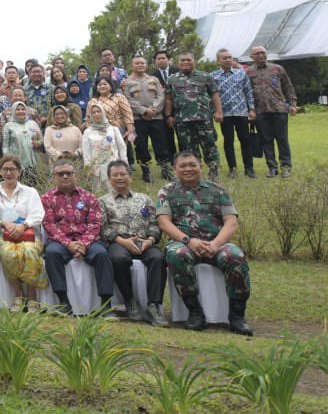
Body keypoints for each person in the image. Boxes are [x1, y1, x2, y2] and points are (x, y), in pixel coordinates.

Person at [156, 150, 253, 335]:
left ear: (201, 166)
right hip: (184, 242)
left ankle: (237, 316)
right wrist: (189, 241)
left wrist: (216, 244)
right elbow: (164, 222)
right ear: (175, 169)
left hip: (216, 242)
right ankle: (195, 312)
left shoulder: (217, 190)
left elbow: (231, 222)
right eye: (182, 166)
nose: (188, 169)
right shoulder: (166, 192)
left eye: (192, 165)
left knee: (235, 256)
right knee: (177, 254)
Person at [41, 160, 115, 316]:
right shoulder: (46, 199)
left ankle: (106, 306)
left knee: (102, 254)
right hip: (61, 242)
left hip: (87, 240)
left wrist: (83, 244)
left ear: (75, 176)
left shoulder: (89, 197)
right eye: (61, 174)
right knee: (51, 254)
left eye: (69, 173)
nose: (65, 176)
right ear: (54, 177)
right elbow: (49, 225)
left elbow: (95, 224)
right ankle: (63, 303)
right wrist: (69, 244)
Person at [100, 160, 167, 326]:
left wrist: (150, 241)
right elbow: (102, 227)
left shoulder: (144, 199)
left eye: (123, 174)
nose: (119, 178)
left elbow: (154, 223)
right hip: (119, 242)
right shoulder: (102, 201)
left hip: (145, 242)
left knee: (158, 258)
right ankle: (129, 300)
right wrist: (123, 241)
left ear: (130, 176)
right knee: (119, 259)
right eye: (115, 175)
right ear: (109, 178)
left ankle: (153, 305)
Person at [0, 155, 47, 311]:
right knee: (8, 253)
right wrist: (4, 223)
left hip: (28, 234)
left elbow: (38, 213)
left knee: (29, 251)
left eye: (12, 169)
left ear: (20, 171)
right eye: (5, 169)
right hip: (3, 234)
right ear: (0, 171)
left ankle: (32, 296)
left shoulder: (30, 192)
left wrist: (23, 225)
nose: (9, 173)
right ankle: (19, 295)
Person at [165, 52, 223, 179]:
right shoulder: (171, 79)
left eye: (188, 59)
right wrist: (168, 115)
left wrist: (218, 112)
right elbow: (169, 98)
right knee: (189, 148)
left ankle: (214, 171)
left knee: (209, 145)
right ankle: (195, 172)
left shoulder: (204, 76)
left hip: (204, 119)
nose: (186, 62)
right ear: (178, 63)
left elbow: (214, 94)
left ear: (194, 61)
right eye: (182, 60)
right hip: (182, 120)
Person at [246, 45, 298, 178]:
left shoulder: (278, 68)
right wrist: (250, 110)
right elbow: (246, 92)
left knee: (282, 139)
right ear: (252, 57)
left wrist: (292, 104)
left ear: (266, 54)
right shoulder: (248, 72)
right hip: (260, 111)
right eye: (257, 53)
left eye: (263, 53)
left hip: (279, 109)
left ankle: (286, 167)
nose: (261, 55)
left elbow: (288, 87)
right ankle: (272, 168)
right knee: (266, 140)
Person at [122, 55, 171, 183]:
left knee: (161, 143)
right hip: (138, 119)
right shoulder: (127, 82)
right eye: (137, 63)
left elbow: (161, 95)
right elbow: (128, 100)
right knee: (141, 145)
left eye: (142, 63)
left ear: (146, 65)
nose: (140, 65)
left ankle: (165, 169)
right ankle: (146, 171)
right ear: (132, 66)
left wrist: (153, 110)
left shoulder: (154, 79)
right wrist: (144, 111)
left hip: (156, 117)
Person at [210, 49, 256, 178]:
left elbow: (248, 92)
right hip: (225, 114)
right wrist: (214, 112)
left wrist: (251, 109)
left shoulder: (241, 74)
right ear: (218, 61)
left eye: (230, 57)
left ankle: (249, 168)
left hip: (241, 112)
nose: (228, 60)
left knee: (245, 140)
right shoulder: (213, 76)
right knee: (228, 141)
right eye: (224, 58)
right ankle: (233, 169)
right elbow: (211, 96)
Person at [81, 104, 128, 195]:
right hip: (96, 169)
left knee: (115, 192)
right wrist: (88, 167)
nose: (96, 114)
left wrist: (124, 165)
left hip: (113, 167)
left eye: (98, 111)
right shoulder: (88, 131)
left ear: (103, 113)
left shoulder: (113, 129)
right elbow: (86, 151)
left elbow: (121, 148)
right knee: (99, 194)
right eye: (93, 112)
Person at [1, 101, 42, 184]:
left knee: (35, 185)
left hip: (33, 161)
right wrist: (9, 161)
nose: (21, 111)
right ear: (13, 111)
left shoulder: (33, 123)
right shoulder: (9, 125)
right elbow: (5, 146)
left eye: (23, 109)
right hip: (17, 163)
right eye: (18, 109)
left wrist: (39, 143)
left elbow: (41, 139)